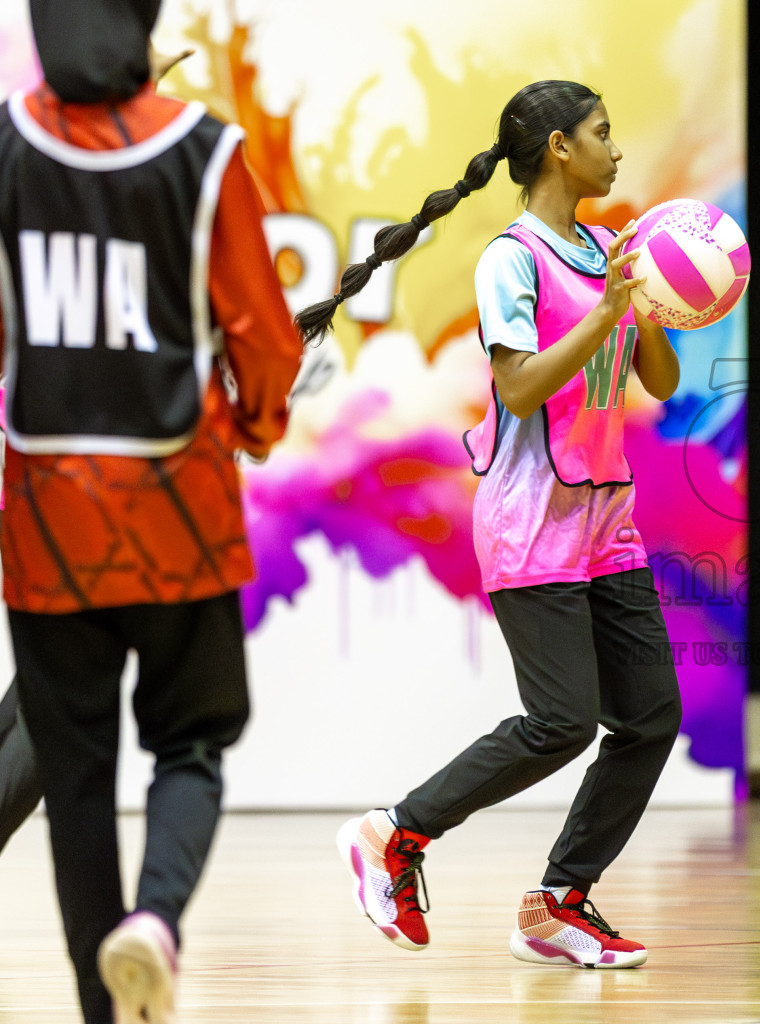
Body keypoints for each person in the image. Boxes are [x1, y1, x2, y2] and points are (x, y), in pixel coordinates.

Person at [298, 80, 683, 970]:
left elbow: (659, 382)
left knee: (650, 717)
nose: (616, 150)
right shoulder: (510, 259)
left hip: (606, 517)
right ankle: (394, 832)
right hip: (530, 519)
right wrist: (606, 311)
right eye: (602, 132)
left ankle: (558, 903)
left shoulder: (606, 250)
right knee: (561, 722)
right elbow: (518, 387)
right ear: (558, 148)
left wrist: (650, 304)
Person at [0, 1, 304, 1019]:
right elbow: (264, 342)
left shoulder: (7, 145)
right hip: (182, 514)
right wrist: (257, 427)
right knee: (191, 745)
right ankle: (157, 920)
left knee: (75, 785)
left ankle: (102, 1007)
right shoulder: (204, 151)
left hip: (46, 524)